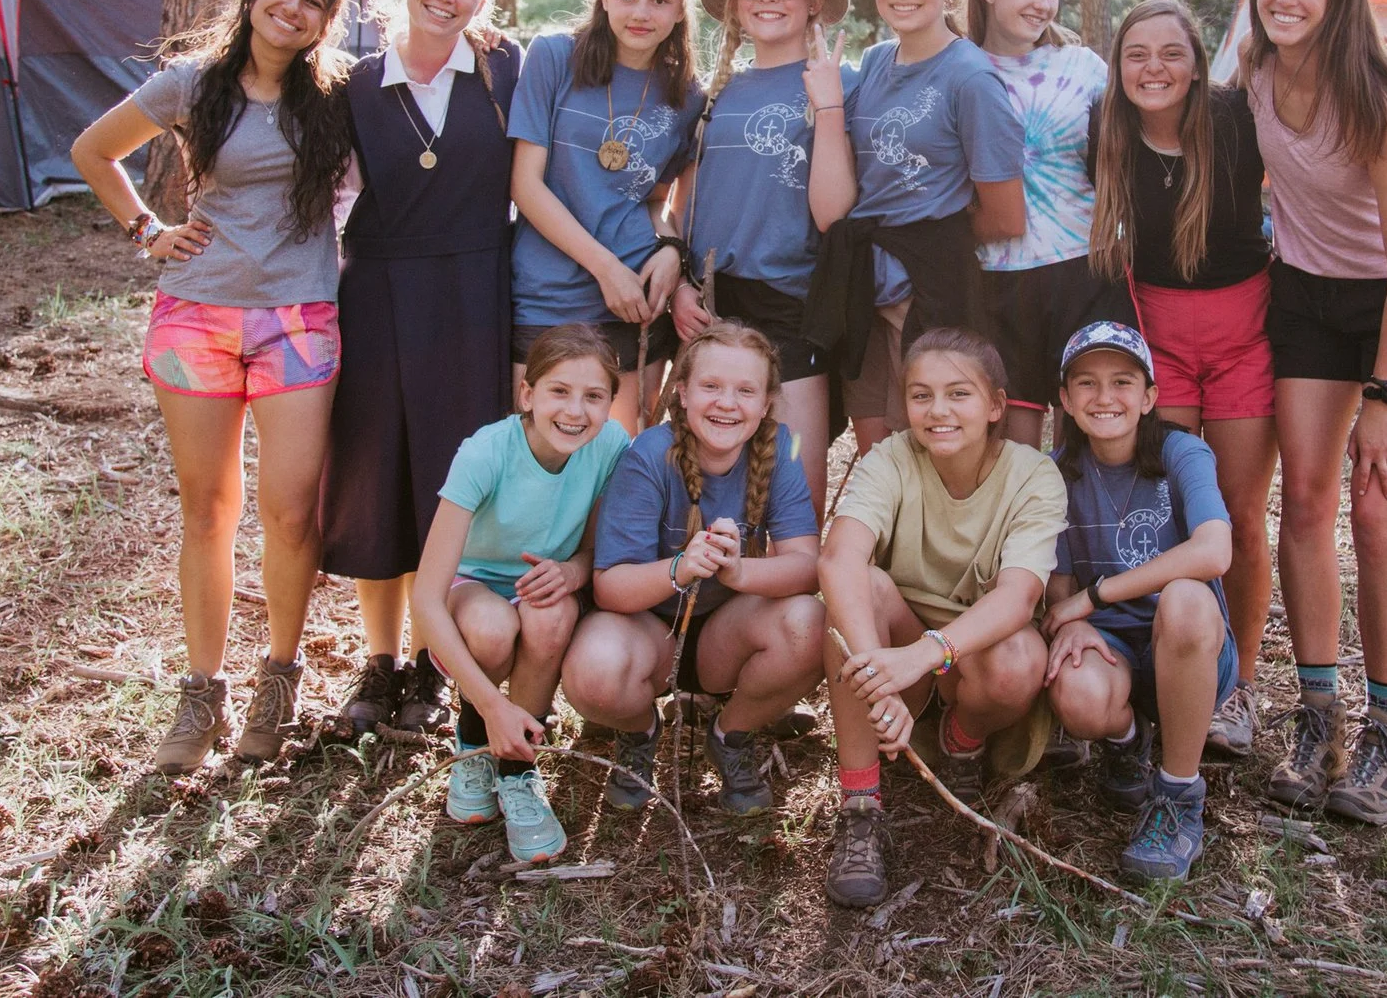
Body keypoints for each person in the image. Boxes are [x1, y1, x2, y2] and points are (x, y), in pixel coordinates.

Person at [68, 0, 354, 771]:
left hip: (298, 321)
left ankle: (280, 678)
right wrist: (146, 231)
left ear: (325, 24)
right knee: (208, 509)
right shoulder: (194, 83)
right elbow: (94, 149)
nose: (293, 8)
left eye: (314, 2)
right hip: (197, 315)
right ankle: (202, 691)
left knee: (293, 510)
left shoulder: (335, 96)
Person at [1238, 0, 1387, 827]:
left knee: (1374, 506)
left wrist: (1384, 393)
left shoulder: (1379, 102)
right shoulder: (1250, 74)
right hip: (1306, 300)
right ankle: (1317, 713)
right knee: (1304, 501)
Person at [319, 0, 520, 742]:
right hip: (377, 287)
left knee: (453, 476)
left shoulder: (508, 68)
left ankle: (438, 661)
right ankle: (380, 658)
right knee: (377, 468)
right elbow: (310, 190)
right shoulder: (351, 83)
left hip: (476, 289)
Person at [1086, 0, 1275, 757]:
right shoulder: (1108, 133)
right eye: (1137, 54)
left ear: (1198, 64)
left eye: (1171, 52)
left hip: (1245, 334)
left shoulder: (1235, 122)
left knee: (1237, 512)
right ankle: (1167, 664)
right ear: (1118, 67)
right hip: (1158, 338)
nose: (1153, 68)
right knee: (1168, 512)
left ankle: (1238, 686)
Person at [819, 328, 1065, 908]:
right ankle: (860, 808)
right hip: (896, 641)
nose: (938, 410)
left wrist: (923, 655)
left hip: (962, 657)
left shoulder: (1032, 474)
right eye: (921, 395)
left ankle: (960, 740)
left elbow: (1017, 598)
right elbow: (837, 557)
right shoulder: (892, 458)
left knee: (1020, 656)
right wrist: (879, 683)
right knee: (859, 589)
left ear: (996, 406)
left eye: (959, 394)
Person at [562, 322, 826, 816]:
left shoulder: (781, 448)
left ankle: (730, 734)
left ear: (766, 403)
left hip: (727, 635)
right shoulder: (647, 455)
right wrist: (680, 567)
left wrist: (739, 572)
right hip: (646, 629)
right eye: (711, 387)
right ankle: (638, 731)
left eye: (745, 390)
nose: (727, 403)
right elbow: (610, 588)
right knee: (593, 673)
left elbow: (808, 567)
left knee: (809, 625)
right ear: (681, 393)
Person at [806, 0, 1027, 458]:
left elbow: (1006, 217)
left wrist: (928, 240)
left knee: (930, 449)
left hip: (926, 294)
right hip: (864, 283)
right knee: (876, 452)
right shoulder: (877, 62)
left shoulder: (970, 79)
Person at [411, 325, 632, 863]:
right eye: (559, 391)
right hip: (473, 587)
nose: (576, 410)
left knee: (551, 616)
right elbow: (425, 596)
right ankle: (474, 739)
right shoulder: (485, 453)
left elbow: (592, 552)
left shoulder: (610, 446)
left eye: (594, 396)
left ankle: (517, 770)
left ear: (610, 405)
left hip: (543, 584)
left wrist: (573, 574)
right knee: (491, 627)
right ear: (528, 395)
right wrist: (493, 707)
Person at [1039, 322, 1235, 883]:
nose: (1104, 398)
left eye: (1122, 381)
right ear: (1065, 398)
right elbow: (1059, 583)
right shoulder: (1056, 472)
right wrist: (1072, 621)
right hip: (1114, 648)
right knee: (1076, 691)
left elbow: (1214, 549)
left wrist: (1096, 596)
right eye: (1087, 383)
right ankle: (1128, 743)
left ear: (1149, 396)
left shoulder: (1182, 452)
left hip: (1190, 652)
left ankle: (1177, 799)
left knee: (1186, 601)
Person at [671, 0, 857, 512]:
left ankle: (795, 594)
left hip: (793, 301)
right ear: (734, 3)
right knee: (707, 470)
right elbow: (683, 203)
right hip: (712, 299)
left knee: (794, 479)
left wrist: (826, 106)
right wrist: (679, 282)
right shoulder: (713, 95)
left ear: (814, 4)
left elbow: (834, 215)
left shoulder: (842, 83)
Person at [509, 0, 706, 433]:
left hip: (635, 304)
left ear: (680, 10)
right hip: (548, 294)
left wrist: (670, 251)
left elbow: (661, 201)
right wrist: (605, 270)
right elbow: (526, 186)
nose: (641, 13)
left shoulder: (685, 97)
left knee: (618, 462)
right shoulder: (554, 58)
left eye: (659, 0)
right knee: (541, 450)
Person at [962, 0, 1124, 446]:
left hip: (1086, 268)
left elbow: (1124, 158)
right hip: (997, 276)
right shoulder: (957, 68)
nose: (1042, 5)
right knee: (1015, 441)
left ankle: (1087, 529)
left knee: (1088, 433)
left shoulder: (1082, 67)